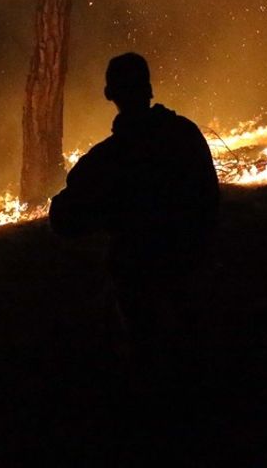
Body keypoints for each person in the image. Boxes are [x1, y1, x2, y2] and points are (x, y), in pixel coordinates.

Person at [49, 52, 219, 379]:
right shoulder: (186, 135)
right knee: (195, 361)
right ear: (149, 88)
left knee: (147, 363)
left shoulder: (105, 161)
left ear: (109, 95)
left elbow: (63, 219)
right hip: (193, 271)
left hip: (140, 284)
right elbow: (209, 199)